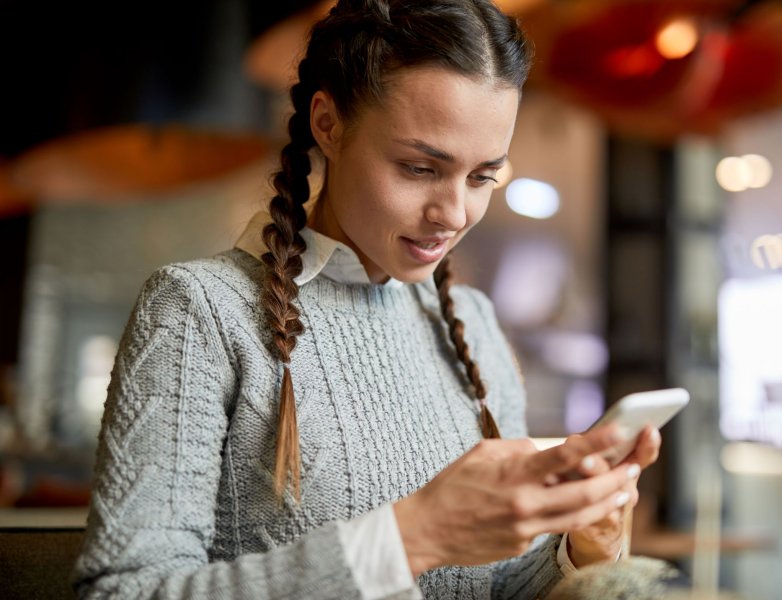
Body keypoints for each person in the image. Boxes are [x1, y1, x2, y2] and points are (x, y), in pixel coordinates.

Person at [71, 1, 662, 598]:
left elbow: (488, 587)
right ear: (328, 124)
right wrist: (414, 536)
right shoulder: (198, 311)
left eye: (483, 176)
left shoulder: (473, 325)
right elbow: (123, 592)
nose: (454, 213)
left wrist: (582, 543)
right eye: (418, 167)